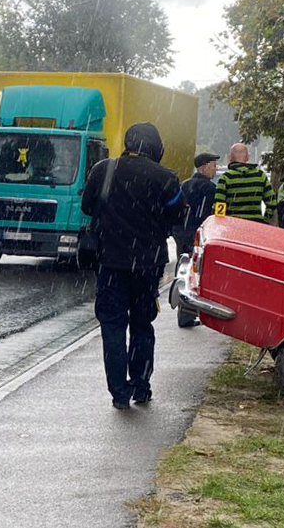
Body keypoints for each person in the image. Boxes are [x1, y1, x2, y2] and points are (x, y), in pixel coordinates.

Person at [81, 123, 185, 410]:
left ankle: (119, 394)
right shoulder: (166, 177)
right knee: (142, 325)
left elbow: (87, 207)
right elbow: (177, 215)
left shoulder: (105, 169)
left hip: (110, 263)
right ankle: (141, 384)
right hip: (148, 264)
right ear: (156, 147)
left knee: (113, 328)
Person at [173, 152, 220, 328]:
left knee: (183, 272)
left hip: (181, 234)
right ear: (204, 168)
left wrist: (177, 230)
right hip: (198, 235)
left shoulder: (184, 185)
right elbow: (212, 216)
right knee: (195, 275)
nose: (215, 169)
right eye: (213, 165)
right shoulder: (209, 188)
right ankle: (187, 315)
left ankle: (184, 312)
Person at [214, 143, 275, 223]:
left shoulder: (226, 178)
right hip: (255, 224)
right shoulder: (260, 176)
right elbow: (272, 202)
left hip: (232, 225)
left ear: (229, 157)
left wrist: (221, 223)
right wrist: (265, 220)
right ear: (248, 157)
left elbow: (219, 205)